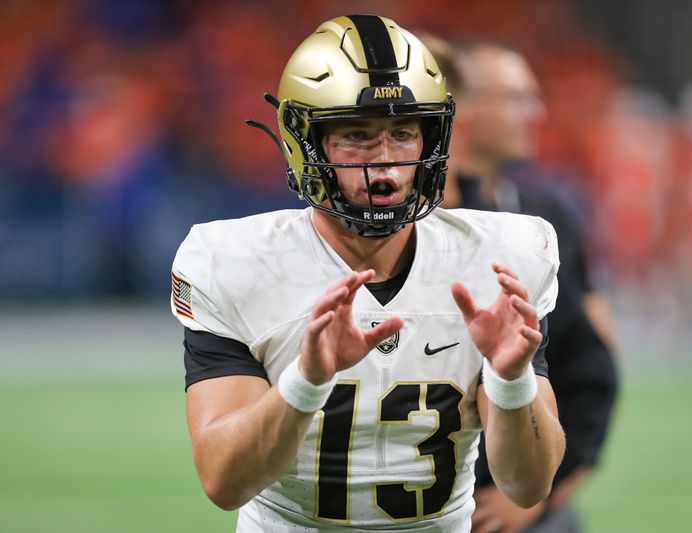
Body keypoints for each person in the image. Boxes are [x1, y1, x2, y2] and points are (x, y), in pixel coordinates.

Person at [170, 15, 565, 532]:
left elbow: (528, 487)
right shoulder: (232, 260)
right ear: (305, 142)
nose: (384, 165)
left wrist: (512, 380)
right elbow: (224, 482)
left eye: (403, 134)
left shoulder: (505, 255)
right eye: (356, 136)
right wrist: (305, 383)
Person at [429, 38, 619, 533]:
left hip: (509, 497)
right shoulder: (382, 231)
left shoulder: (543, 220)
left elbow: (593, 359)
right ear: (461, 110)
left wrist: (542, 496)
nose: (535, 112)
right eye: (514, 98)